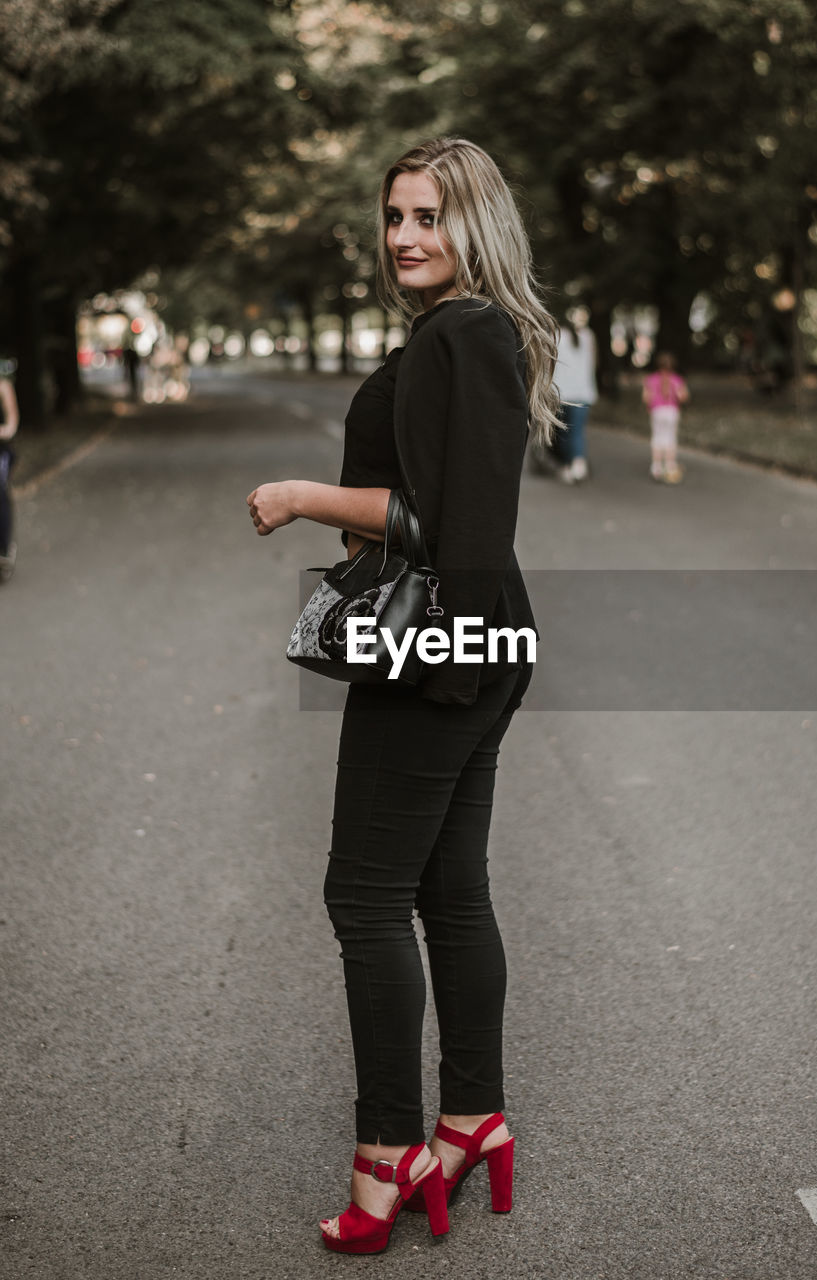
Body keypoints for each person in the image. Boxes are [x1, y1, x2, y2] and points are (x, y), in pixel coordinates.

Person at [246, 137, 560, 1255]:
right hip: (477, 635)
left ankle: (391, 1155)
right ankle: (472, 1116)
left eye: (429, 215)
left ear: (475, 224)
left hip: (436, 647)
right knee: (449, 888)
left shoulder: (462, 334)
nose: (406, 236)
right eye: (394, 217)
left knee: (365, 897)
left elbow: (446, 524)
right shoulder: (464, 331)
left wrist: (300, 495)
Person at [552, 311, 597, 483]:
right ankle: (577, 464)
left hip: (561, 394)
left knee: (561, 433)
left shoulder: (556, 335)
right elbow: (594, 362)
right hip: (583, 393)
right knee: (577, 432)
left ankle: (568, 465)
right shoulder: (588, 336)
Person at [642, 351, 689, 483]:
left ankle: (656, 467)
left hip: (657, 411)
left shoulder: (651, 379)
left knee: (657, 438)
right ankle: (670, 465)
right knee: (670, 438)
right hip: (672, 411)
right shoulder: (677, 379)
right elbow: (683, 396)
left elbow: (646, 398)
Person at [0, 373, 20, 583]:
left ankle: (4, 549)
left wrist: (4, 430)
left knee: (0, 493)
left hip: (1, 450)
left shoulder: (3, 386)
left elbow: (11, 424)